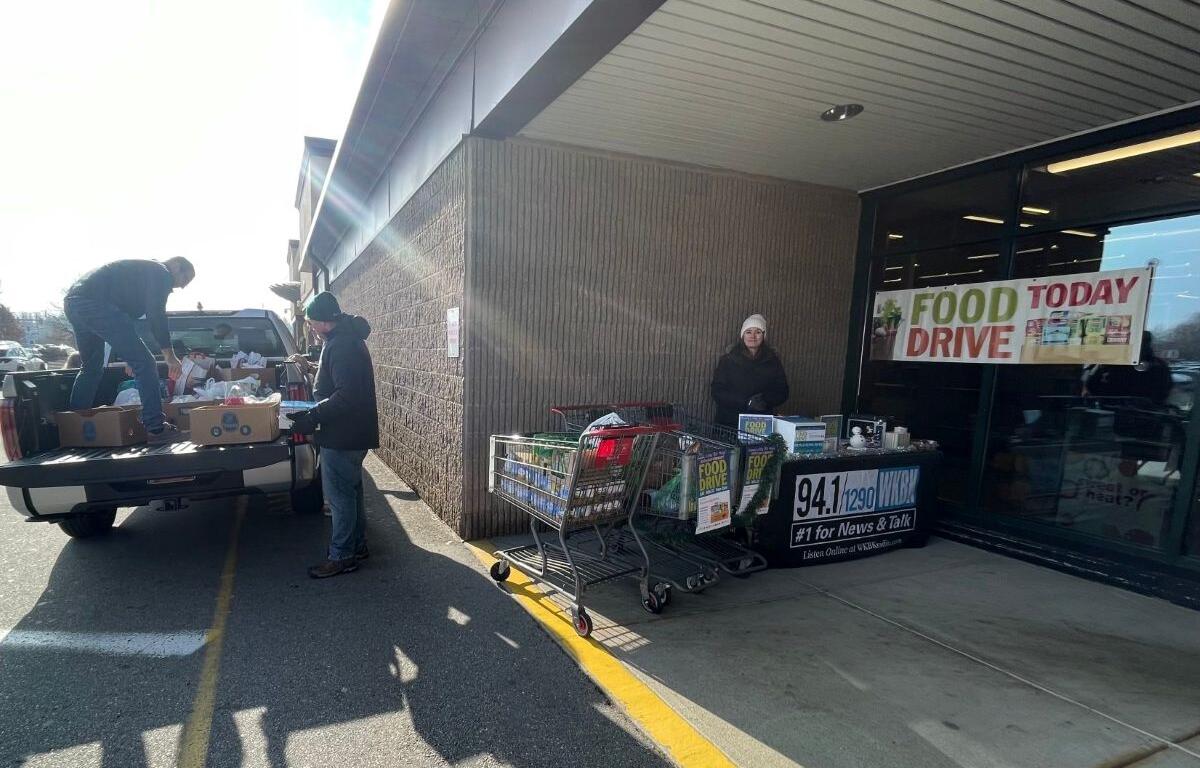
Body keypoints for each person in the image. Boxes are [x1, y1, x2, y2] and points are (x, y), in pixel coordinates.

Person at [286, 291, 379, 579]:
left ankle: (342, 556)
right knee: (351, 495)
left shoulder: (341, 346)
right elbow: (343, 383)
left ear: (324, 322)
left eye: (312, 323)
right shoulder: (345, 340)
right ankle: (356, 546)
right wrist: (315, 369)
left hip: (342, 434)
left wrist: (312, 416)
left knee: (340, 499)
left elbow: (346, 394)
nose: (311, 329)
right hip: (351, 432)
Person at [64, 258, 194, 444]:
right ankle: (156, 429)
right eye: (185, 279)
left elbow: (124, 323)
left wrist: (130, 354)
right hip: (93, 303)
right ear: (175, 266)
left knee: (91, 368)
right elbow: (156, 314)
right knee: (146, 363)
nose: (182, 287)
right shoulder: (161, 273)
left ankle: (74, 427)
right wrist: (169, 354)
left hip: (73, 303)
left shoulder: (141, 273)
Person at [710, 313, 790, 429]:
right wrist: (745, 402)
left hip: (761, 423)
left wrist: (764, 400)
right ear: (743, 335)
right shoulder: (728, 360)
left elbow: (782, 391)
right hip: (729, 423)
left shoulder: (773, 361)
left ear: (763, 336)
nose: (753, 336)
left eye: (758, 332)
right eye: (748, 332)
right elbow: (717, 391)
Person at [1082, 331, 1173, 406]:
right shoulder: (1115, 363)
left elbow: (1159, 395)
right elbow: (1092, 387)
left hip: (1138, 418)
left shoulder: (1156, 367)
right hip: (1113, 415)